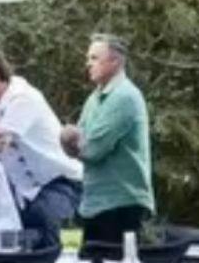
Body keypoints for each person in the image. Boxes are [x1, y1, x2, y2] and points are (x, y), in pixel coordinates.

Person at [0, 48, 82, 249]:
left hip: (58, 184)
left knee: (52, 247)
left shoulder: (23, 98)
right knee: (31, 248)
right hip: (27, 192)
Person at [59, 34, 154, 245]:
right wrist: (70, 142)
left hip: (121, 203)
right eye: (88, 58)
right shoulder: (94, 98)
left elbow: (92, 150)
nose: (88, 64)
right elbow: (78, 147)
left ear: (115, 62)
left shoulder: (124, 96)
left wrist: (69, 140)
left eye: (94, 58)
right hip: (98, 203)